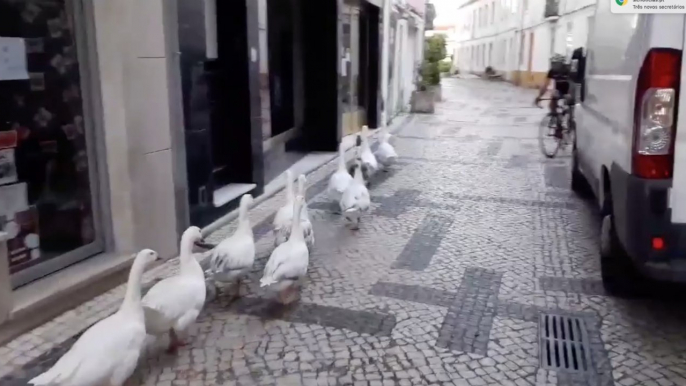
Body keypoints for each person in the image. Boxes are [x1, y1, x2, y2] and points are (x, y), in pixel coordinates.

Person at [535, 54, 572, 138]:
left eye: (555, 64)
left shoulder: (567, 70)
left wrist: (570, 94)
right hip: (559, 90)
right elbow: (545, 84)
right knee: (553, 102)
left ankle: (570, 125)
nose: (553, 66)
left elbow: (572, 83)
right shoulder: (552, 71)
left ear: (561, 64)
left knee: (570, 107)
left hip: (569, 89)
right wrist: (539, 97)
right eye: (552, 64)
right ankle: (557, 123)